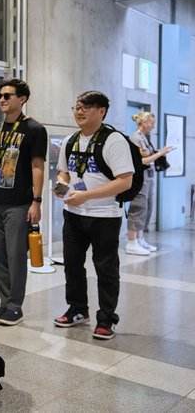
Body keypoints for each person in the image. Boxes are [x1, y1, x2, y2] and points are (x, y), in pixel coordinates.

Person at [52, 91, 134, 340]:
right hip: (73, 212)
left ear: (102, 111)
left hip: (105, 215)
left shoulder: (114, 141)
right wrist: (61, 184)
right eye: (77, 107)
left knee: (106, 268)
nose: (80, 111)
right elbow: (64, 172)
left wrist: (87, 196)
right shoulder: (71, 140)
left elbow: (125, 182)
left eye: (87, 107)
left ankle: (107, 319)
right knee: (73, 266)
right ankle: (78, 310)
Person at [0, 79, 47, 326]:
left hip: (19, 203)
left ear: (22, 99)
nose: (2, 99)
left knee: (16, 256)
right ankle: (5, 303)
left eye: (8, 95)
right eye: (0, 96)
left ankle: (15, 306)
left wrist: (36, 201)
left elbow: (38, 167)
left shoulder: (35, 129)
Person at [125, 111, 171, 255]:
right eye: (151, 123)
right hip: (140, 178)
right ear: (144, 122)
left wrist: (155, 154)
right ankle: (131, 242)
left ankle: (140, 239)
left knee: (146, 208)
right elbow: (141, 161)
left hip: (148, 178)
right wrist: (159, 154)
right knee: (138, 207)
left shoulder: (144, 138)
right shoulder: (135, 138)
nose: (153, 126)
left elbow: (147, 156)